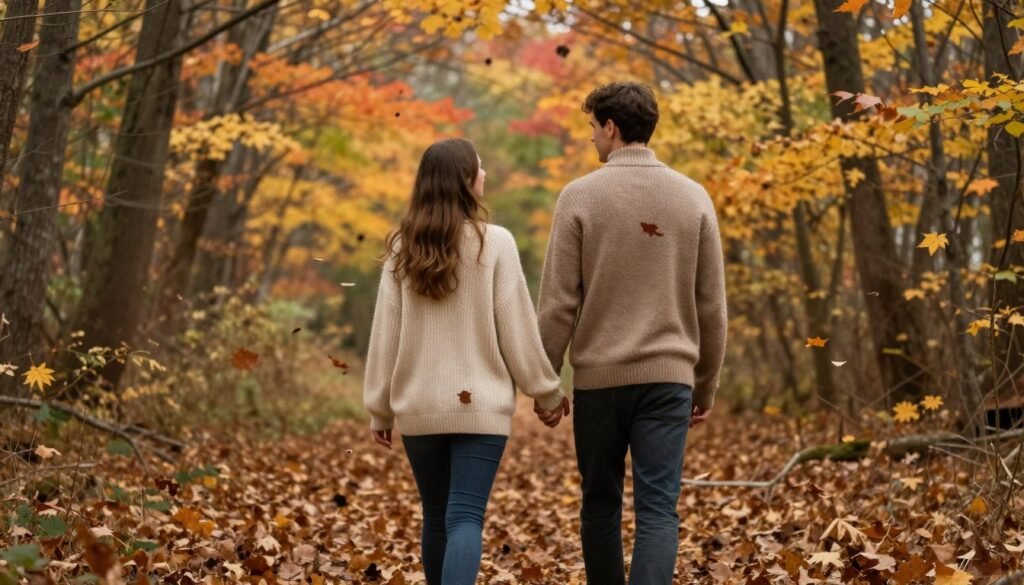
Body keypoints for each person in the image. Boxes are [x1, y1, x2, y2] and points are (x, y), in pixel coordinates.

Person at [536, 81, 728, 585]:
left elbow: (558, 302)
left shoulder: (578, 196)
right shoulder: (694, 197)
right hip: (670, 381)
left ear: (612, 127)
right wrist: (704, 384)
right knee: (658, 508)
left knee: (600, 503)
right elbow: (711, 305)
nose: (592, 139)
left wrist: (545, 384)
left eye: (593, 128)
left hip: (599, 382)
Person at [363, 137, 571, 585]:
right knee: (464, 518)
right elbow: (516, 327)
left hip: (418, 406)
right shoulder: (494, 243)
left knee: (436, 516)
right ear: (465, 180)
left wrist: (379, 406)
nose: (485, 176)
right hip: (480, 408)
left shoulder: (402, 248)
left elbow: (386, 335)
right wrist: (546, 390)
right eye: (480, 168)